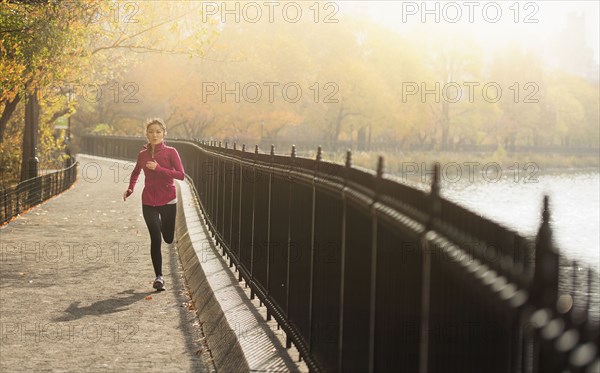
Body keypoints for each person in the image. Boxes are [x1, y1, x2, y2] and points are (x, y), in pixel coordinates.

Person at [123, 119, 185, 291]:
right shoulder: (142, 154)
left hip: (168, 199)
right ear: (147, 134)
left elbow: (181, 175)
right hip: (148, 200)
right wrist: (130, 188)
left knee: (168, 238)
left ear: (164, 133)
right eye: (151, 132)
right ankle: (159, 277)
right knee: (155, 237)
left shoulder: (171, 152)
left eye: (158, 131)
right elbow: (136, 172)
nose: (155, 135)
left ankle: (169, 227)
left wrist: (158, 169)